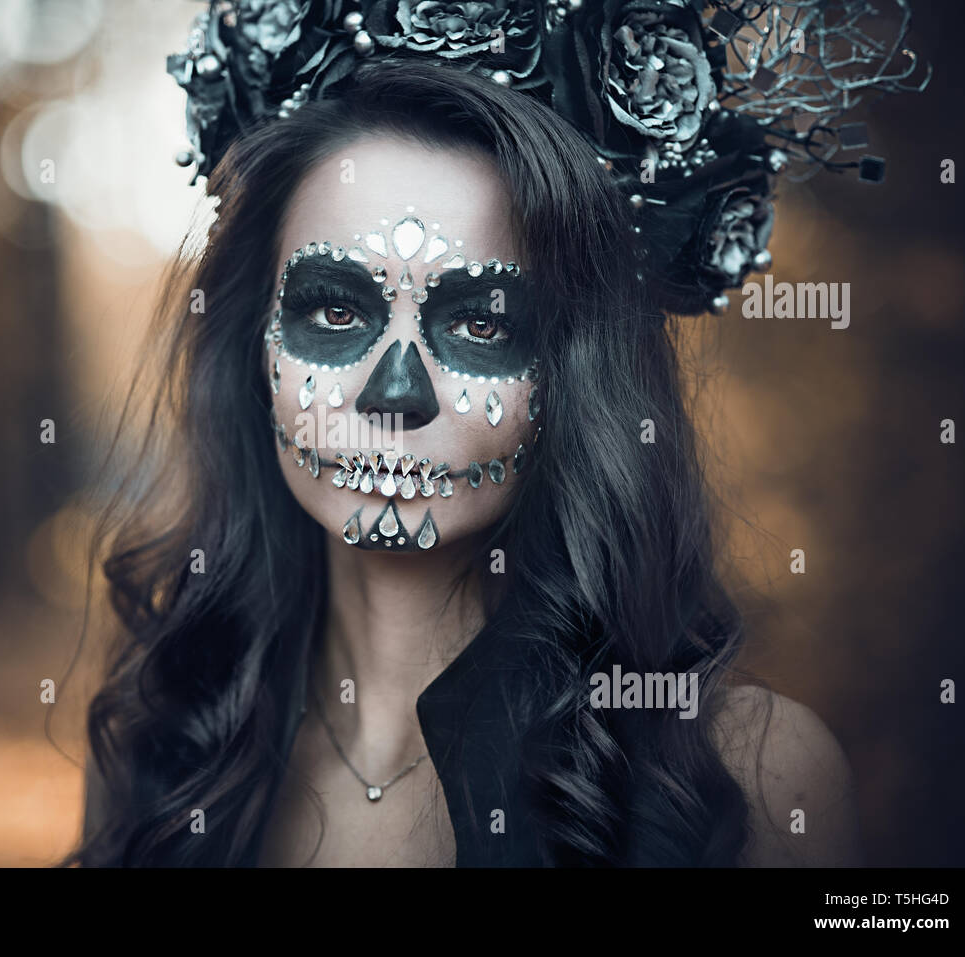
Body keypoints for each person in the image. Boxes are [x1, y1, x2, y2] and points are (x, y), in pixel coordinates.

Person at [66, 54, 860, 867]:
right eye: (335, 309)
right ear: (252, 349)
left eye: (481, 326)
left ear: (575, 378)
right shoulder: (158, 750)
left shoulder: (755, 778)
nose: (396, 395)